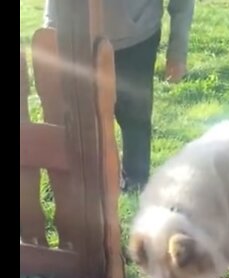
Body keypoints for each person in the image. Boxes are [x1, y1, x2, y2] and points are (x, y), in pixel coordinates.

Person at [44, 0, 196, 193]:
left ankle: (135, 184)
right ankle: (70, 185)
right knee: (74, 114)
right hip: (76, 35)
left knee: (134, 117)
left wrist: (177, 51)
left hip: (136, 38)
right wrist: (50, 27)